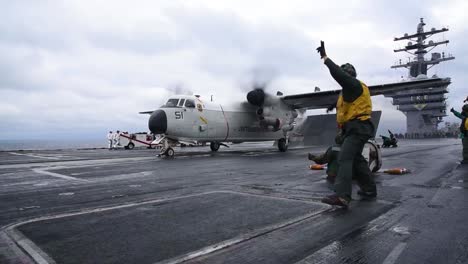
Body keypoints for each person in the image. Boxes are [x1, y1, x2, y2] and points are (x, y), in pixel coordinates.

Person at [316, 41, 377, 208]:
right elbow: (346, 108)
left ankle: (342, 196)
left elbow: (339, 75)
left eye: (345, 74)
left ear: (349, 75)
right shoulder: (349, 91)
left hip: (358, 127)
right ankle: (369, 189)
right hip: (356, 128)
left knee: (344, 157)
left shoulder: (353, 85)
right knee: (357, 159)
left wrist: (326, 58)